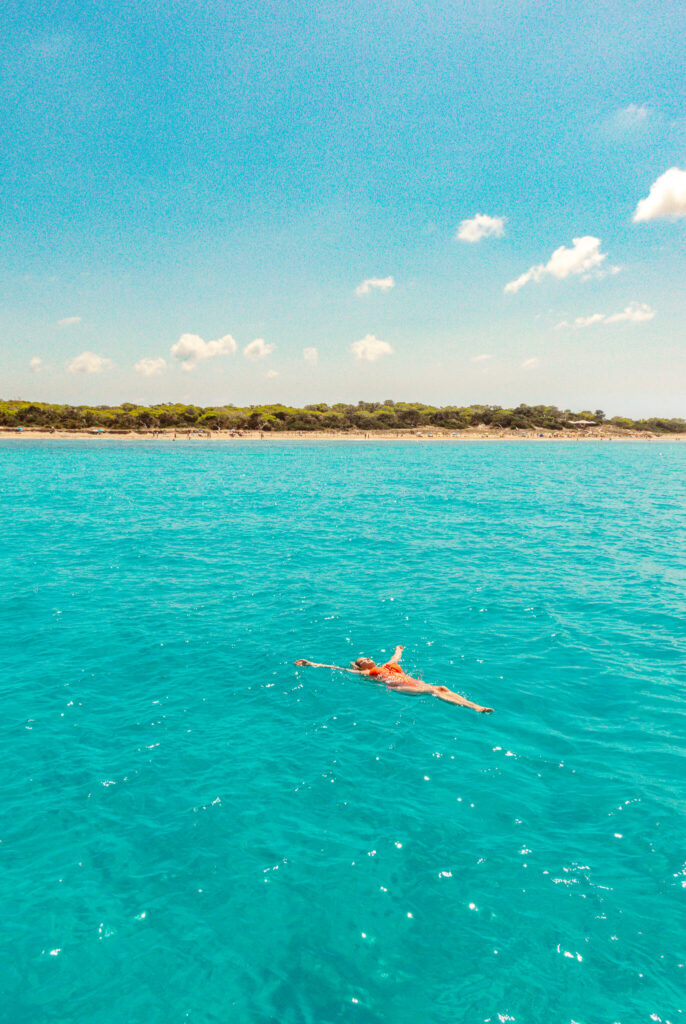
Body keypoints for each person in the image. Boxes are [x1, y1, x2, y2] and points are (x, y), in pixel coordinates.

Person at [294, 645, 493, 712]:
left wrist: (398, 650)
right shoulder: (366, 673)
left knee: (440, 687)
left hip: (410, 681)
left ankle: (473, 705)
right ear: (361, 666)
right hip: (399, 687)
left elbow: (395, 658)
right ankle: (475, 707)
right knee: (434, 690)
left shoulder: (387, 665)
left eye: (367, 657)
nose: (367, 659)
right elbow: (338, 668)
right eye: (363, 660)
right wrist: (311, 663)